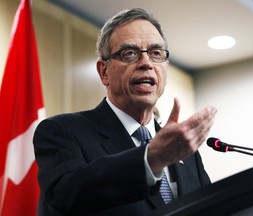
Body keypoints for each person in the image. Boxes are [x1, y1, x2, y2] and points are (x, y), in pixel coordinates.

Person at [33, 8, 217, 216]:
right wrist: (150, 159)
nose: (146, 63)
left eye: (156, 53)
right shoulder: (63, 131)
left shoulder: (184, 151)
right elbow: (63, 197)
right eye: (130, 53)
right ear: (104, 72)